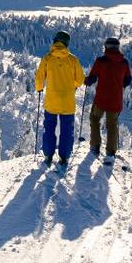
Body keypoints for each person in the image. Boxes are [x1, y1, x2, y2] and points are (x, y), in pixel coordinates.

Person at [32, 31, 86, 166]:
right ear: (67, 43)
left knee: (49, 127)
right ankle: (64, 157)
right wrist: (71, 86)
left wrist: (39, 88)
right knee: (67, 129)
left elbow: (39, 77)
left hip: (52, 100)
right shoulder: (72, 59)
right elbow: (80, 79)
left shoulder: (47, 58)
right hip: (68, 101)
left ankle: (48, 155)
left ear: (55, 41)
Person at [84, 37, 132, 162]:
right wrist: (118, 86)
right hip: (116, 101)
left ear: (106, 47)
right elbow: (128, 80)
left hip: (101, 99)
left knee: (94, 119)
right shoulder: (124, 62)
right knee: (112, 125)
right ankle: (110, 153)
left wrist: (87, 81)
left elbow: (93, 78)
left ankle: (95, 146)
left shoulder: (101, 61)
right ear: (117, 47)